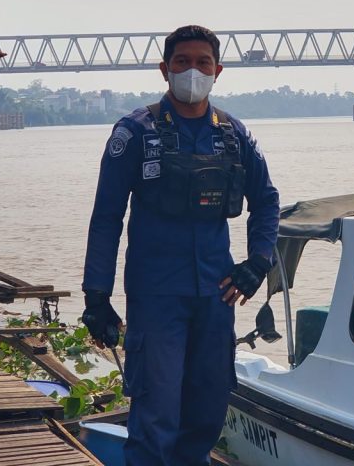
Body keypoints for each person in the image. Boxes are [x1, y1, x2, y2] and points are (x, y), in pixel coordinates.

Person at [81, 25, 280, 465]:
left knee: (207, 409)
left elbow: (266, 201)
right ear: (164, 69)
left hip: (217, 293)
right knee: (156, 412)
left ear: (218, 71)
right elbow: (107, 216)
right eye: (182, 62)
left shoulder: (234, 134)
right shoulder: (135, 132)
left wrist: (258, 262)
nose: (193, 71)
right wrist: (96, 295)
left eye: (203, 62)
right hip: (156, 296)